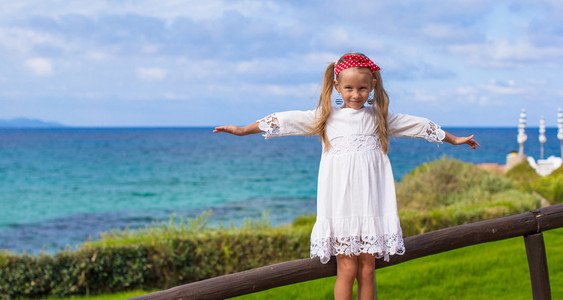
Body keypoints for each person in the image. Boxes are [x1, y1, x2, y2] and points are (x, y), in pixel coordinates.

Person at [214, 53, 479, 300]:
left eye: (362, 88)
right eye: (349, 88)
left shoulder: (380, 118)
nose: (356, 94)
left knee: (367, 270)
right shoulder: (326, 117)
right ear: (337, 86)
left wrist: (454, 139)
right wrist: (242, 130)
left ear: (372, 85)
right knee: (347, 269)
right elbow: (284, 121)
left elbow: (420, 126)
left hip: (371, 208)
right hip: (340, 209)